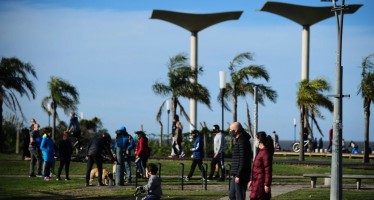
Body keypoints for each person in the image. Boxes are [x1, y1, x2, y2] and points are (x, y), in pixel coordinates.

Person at [229, 122, 253, 200]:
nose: (230, 131)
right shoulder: (238, 140)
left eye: (231, 129)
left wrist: (239, 175)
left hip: (241, 174)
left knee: (239, 196)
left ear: (236, 130)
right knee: (232, 195)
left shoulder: (243, 141)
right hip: (235, 172)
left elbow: (243, 159)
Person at [248, 131, 274, 200]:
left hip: (260, 182)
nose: (255, 141)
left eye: (256, 139)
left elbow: (268, 170)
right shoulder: (260, 152)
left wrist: (267, 184)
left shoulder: (265, 153)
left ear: (259, 140)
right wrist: (251, 180)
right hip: (256, 181)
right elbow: (256, 168)